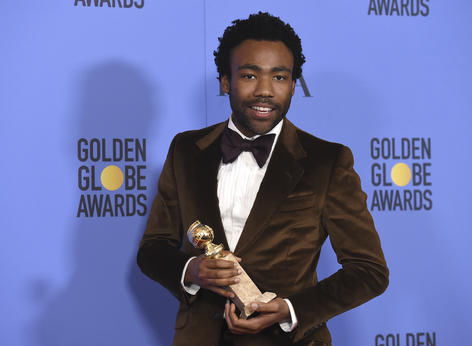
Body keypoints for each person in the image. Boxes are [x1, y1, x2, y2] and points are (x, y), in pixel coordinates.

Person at [137, 12, 389, 346]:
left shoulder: (327, 162)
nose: (266, 91)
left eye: (280, 77)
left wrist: (290, 310)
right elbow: (153, 249)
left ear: (294, 85)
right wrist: (191, 271)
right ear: (226, 81)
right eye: (250, 75)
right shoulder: (186, 150)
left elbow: (369, 271)